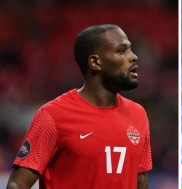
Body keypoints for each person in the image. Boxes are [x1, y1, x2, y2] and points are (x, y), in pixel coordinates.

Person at [6, 24, 152, 189]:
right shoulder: (53, 116)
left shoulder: (138, 114)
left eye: (130, 50)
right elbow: (17, 184)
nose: (133, 57)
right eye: (122, 51)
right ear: (95, 62)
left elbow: (140, 182)